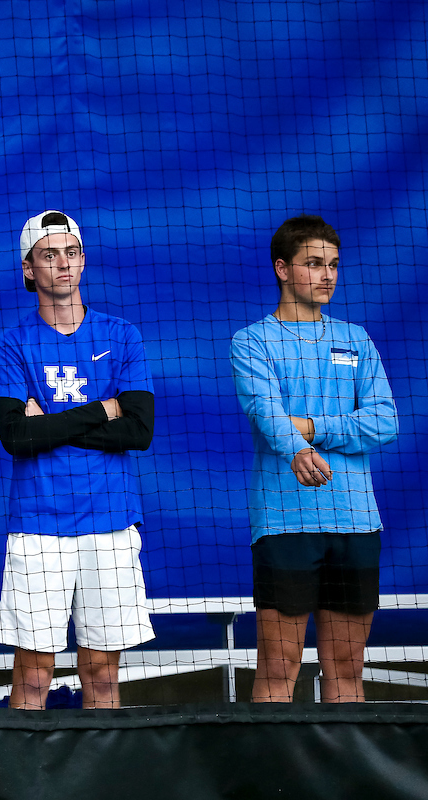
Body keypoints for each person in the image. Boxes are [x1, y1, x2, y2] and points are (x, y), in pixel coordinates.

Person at [0, 210, 155, 710]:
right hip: (39, 526)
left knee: (102, 675)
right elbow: (17, 437)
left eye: (72, 252)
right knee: (33, 674)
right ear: (28, 269)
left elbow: (139, 431)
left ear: (82, 261)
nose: (63, 263)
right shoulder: (11, 344)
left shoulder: (122, 335)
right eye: (49, 254)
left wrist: (51, 424)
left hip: (111, 522)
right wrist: (103, 409)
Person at [230, 215, 398, 703]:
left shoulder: (357, 339)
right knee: (278, 670)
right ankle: (268, 780)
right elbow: (266, 413)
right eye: (313, 264)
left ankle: (344, 781)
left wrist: (311, 429)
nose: (327, 275)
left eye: (333, 265)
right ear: (282, 269)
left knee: (346, 670)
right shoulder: (252, 341)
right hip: (285, 523)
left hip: (356, 522)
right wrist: (296, 445)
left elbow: (385, 421)